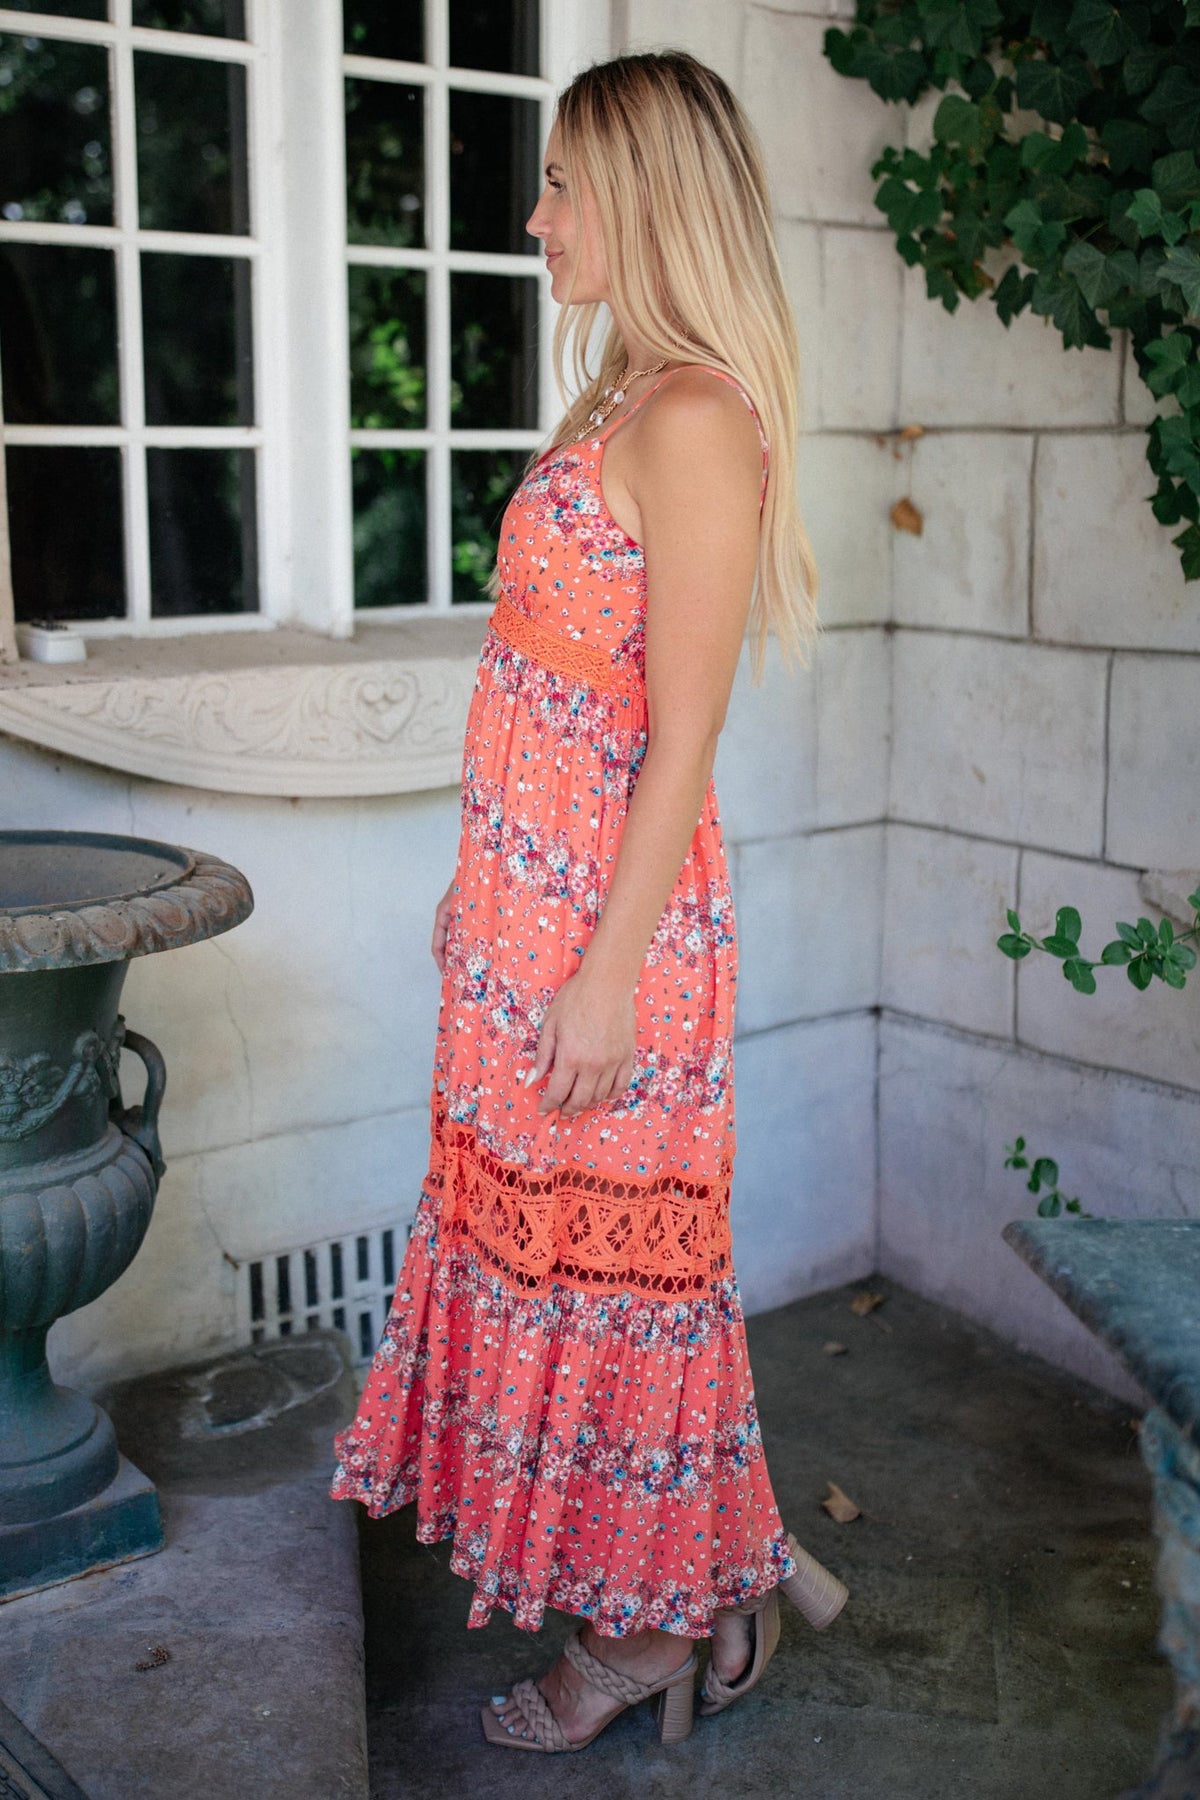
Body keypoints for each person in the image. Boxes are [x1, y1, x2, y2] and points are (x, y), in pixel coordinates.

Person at [329, 47, 848, 1755]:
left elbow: (684, 731)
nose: (535, 211)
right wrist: (482, 896)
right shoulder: (617, 403)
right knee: (543, 1271)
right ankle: (729, 1571)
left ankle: (645, 1634)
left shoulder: (694, 418)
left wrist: (605, 971)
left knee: (609, 1294)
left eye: (560, 180)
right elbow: (549, 688)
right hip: (527, 927)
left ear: (641, 197)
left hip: (611, 944)